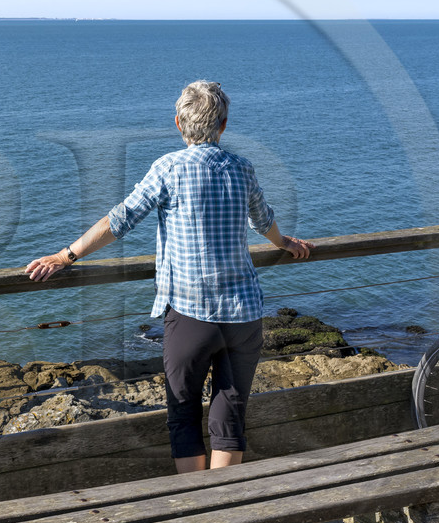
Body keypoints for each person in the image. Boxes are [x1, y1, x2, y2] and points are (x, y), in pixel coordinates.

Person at [24, 81, 310, 473]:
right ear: (223, 125)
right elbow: (264, 222)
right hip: (244, 314)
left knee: (183, 414)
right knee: (230, 415)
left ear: (178, 123)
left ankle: (197, 515)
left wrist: (65, 255)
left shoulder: (170, 168)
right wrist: (285, 243)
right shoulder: (243, 168)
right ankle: (225, 506)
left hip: (192, 314)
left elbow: (119, 221)